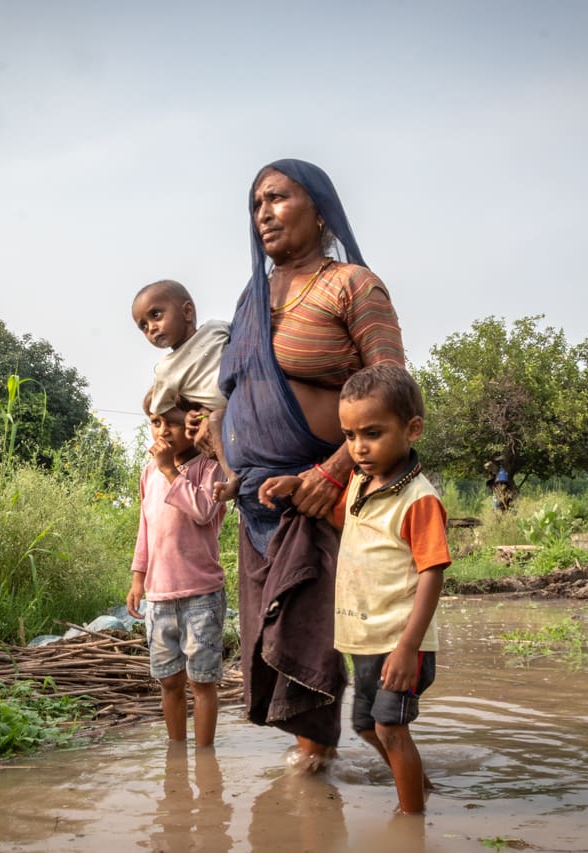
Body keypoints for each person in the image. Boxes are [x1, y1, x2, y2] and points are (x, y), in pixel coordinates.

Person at [215, 158, 405, 770]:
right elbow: (232, 393)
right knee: (275, 633)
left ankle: (353, 765)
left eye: (277, 197)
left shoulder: (353, 284)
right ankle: (313, 762)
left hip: (325, 496)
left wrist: (331, 472)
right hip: (259, 501)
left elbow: (393, 390)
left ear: (319, 208)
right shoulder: (251, 297)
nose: (263, 213)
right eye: (255, 203)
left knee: (314, 635)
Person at [258, 363, 450, 814]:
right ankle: (420, 787)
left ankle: (411, 819)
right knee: (367, 726)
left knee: (389, 728)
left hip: (402, 644)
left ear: (412, 429)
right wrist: (296, 486)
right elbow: (343, 519)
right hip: (365, 639)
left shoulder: (418, 499)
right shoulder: (361, 482)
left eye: (372, 433)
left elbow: (433, 573)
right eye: (349, 436)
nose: (358, 447)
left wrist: (409, 648)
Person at [126, 397, 228, 747]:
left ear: (195, 422)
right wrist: (138, 576)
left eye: (171, 421)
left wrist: (171, 470)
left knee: (202, 681)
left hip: (202, 595)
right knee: (169, 681)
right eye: (156, 422)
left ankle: (204, 757)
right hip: (159, 596)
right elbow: (146, 527)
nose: (163, 430)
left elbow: (201, 511)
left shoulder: (212, 469)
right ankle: (176, 754)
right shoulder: (148, 472)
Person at [131, 279, 238, 500]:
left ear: (187, 311)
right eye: (143, 326)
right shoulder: (166, 369)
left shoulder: (215, 328)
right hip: (222, 413)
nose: (151, 328)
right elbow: (161, 406)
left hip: (245, 394)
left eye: (156, 315)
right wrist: (186, 416)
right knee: (215, 420)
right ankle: (233, 477)